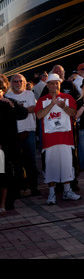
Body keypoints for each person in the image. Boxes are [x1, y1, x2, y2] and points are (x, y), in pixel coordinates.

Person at [35, 73, 80, 205]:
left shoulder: (68, 98)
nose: (55, 85)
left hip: (66, 139)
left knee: (67, 166)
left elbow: (73, 113)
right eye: (52, 83)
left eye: (57, 83)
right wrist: (52, 104)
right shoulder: (42, 100)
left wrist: (63, 106)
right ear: (47, 85)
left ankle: (67, 191)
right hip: (49, 140)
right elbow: (39, 116)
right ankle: (52, 193)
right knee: (50, 167)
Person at [5, 74, 40, 196]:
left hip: (28, 131)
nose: (18, 83)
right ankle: (21, 187)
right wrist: (23, 109)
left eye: (21, 81)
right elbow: (12, 112)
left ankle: (34, 187)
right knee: (17, 163)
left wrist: (17, 108)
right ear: (11, 83)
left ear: (24, 83)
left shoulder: (29, 94)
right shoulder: (7, 96)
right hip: (14, 133)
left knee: (31, 162)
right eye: (15, 81)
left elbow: (32, 109)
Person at [0, 80, 28, 212]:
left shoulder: (9, 102)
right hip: (1, 146)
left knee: (15, 171)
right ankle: (4, 202)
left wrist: (13, 105)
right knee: (3, 173)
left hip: (11, 143)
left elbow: (23, 114)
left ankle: (11, 199)